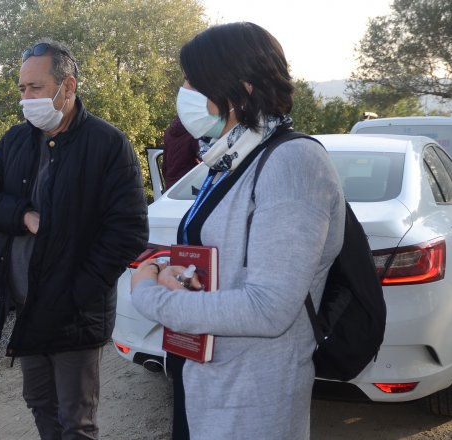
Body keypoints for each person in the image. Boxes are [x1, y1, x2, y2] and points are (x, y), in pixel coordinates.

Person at [130, 22, 345, 439]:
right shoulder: (230, 158)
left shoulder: (292, 163)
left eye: (193, 82)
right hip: (208, 377)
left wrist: (150, 295)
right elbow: (221, 258)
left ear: (241, 89)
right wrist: (172, 270)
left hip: (254, 397)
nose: (184, 93)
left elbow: (268, 309)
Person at [0, 38, 148, 439]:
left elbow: (129, 231)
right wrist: (22, 215)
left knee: (76, 420)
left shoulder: (108, 145)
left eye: (37, 88)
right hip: (30, 308)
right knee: (39, 402)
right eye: (22, 89)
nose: (27, 98)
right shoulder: (17, 140)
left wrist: (77, 293)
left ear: (68, 87)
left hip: (75, 315)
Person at [161, 115, 201, 189]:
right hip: (188, 185)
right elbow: (205, 160)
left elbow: (165, 165)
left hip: (171, 185)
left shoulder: (168, 132)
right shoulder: (193, 133)